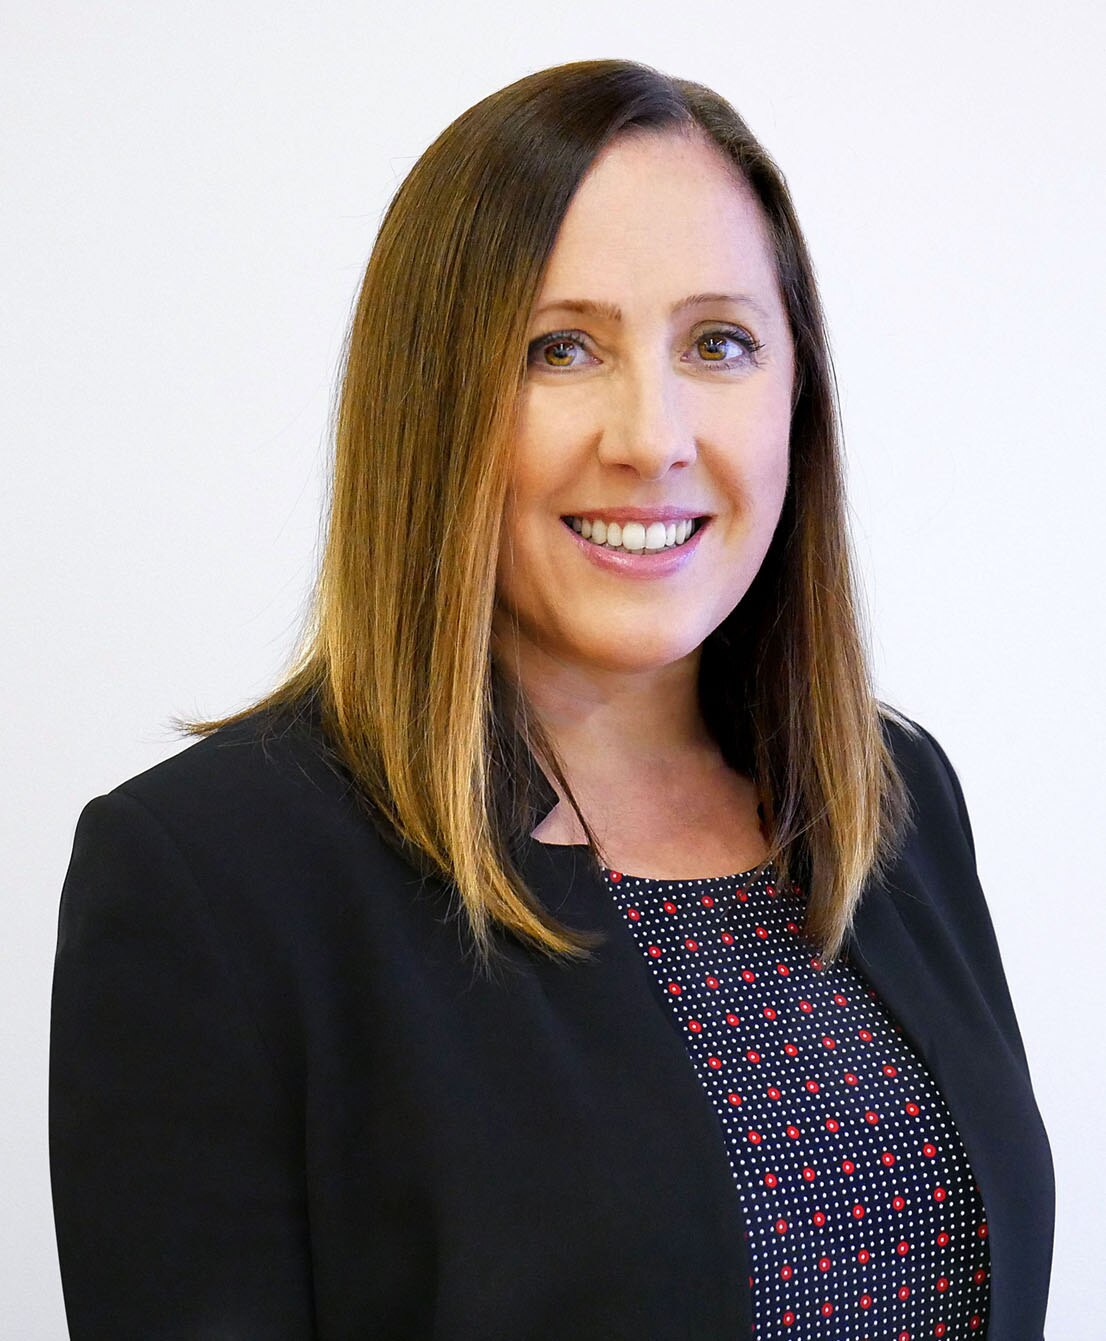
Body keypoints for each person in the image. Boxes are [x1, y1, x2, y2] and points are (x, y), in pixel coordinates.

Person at [49, 58, 1054, 1340]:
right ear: (432, 407)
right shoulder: (213, 879)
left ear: (795, 398)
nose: (652, 435)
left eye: (720, 343)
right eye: (560, 348)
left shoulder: (894, 800)